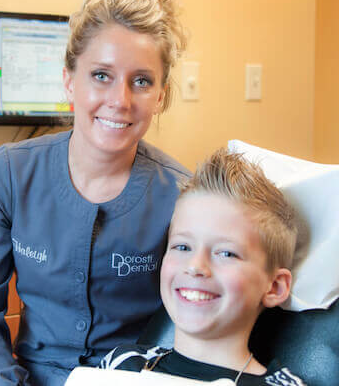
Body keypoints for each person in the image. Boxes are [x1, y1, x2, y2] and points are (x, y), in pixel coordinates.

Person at [0, 0, 189, 385]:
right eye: (101, 75)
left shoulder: (182, 196)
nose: (120, 100)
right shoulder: (8, 175)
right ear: (68, 81)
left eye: (142, 81)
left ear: (161, 96)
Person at [99, 149, 306, 385]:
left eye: (226, 253)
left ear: (275, 287)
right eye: (183, 247)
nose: (196, 266)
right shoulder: (121, 366)